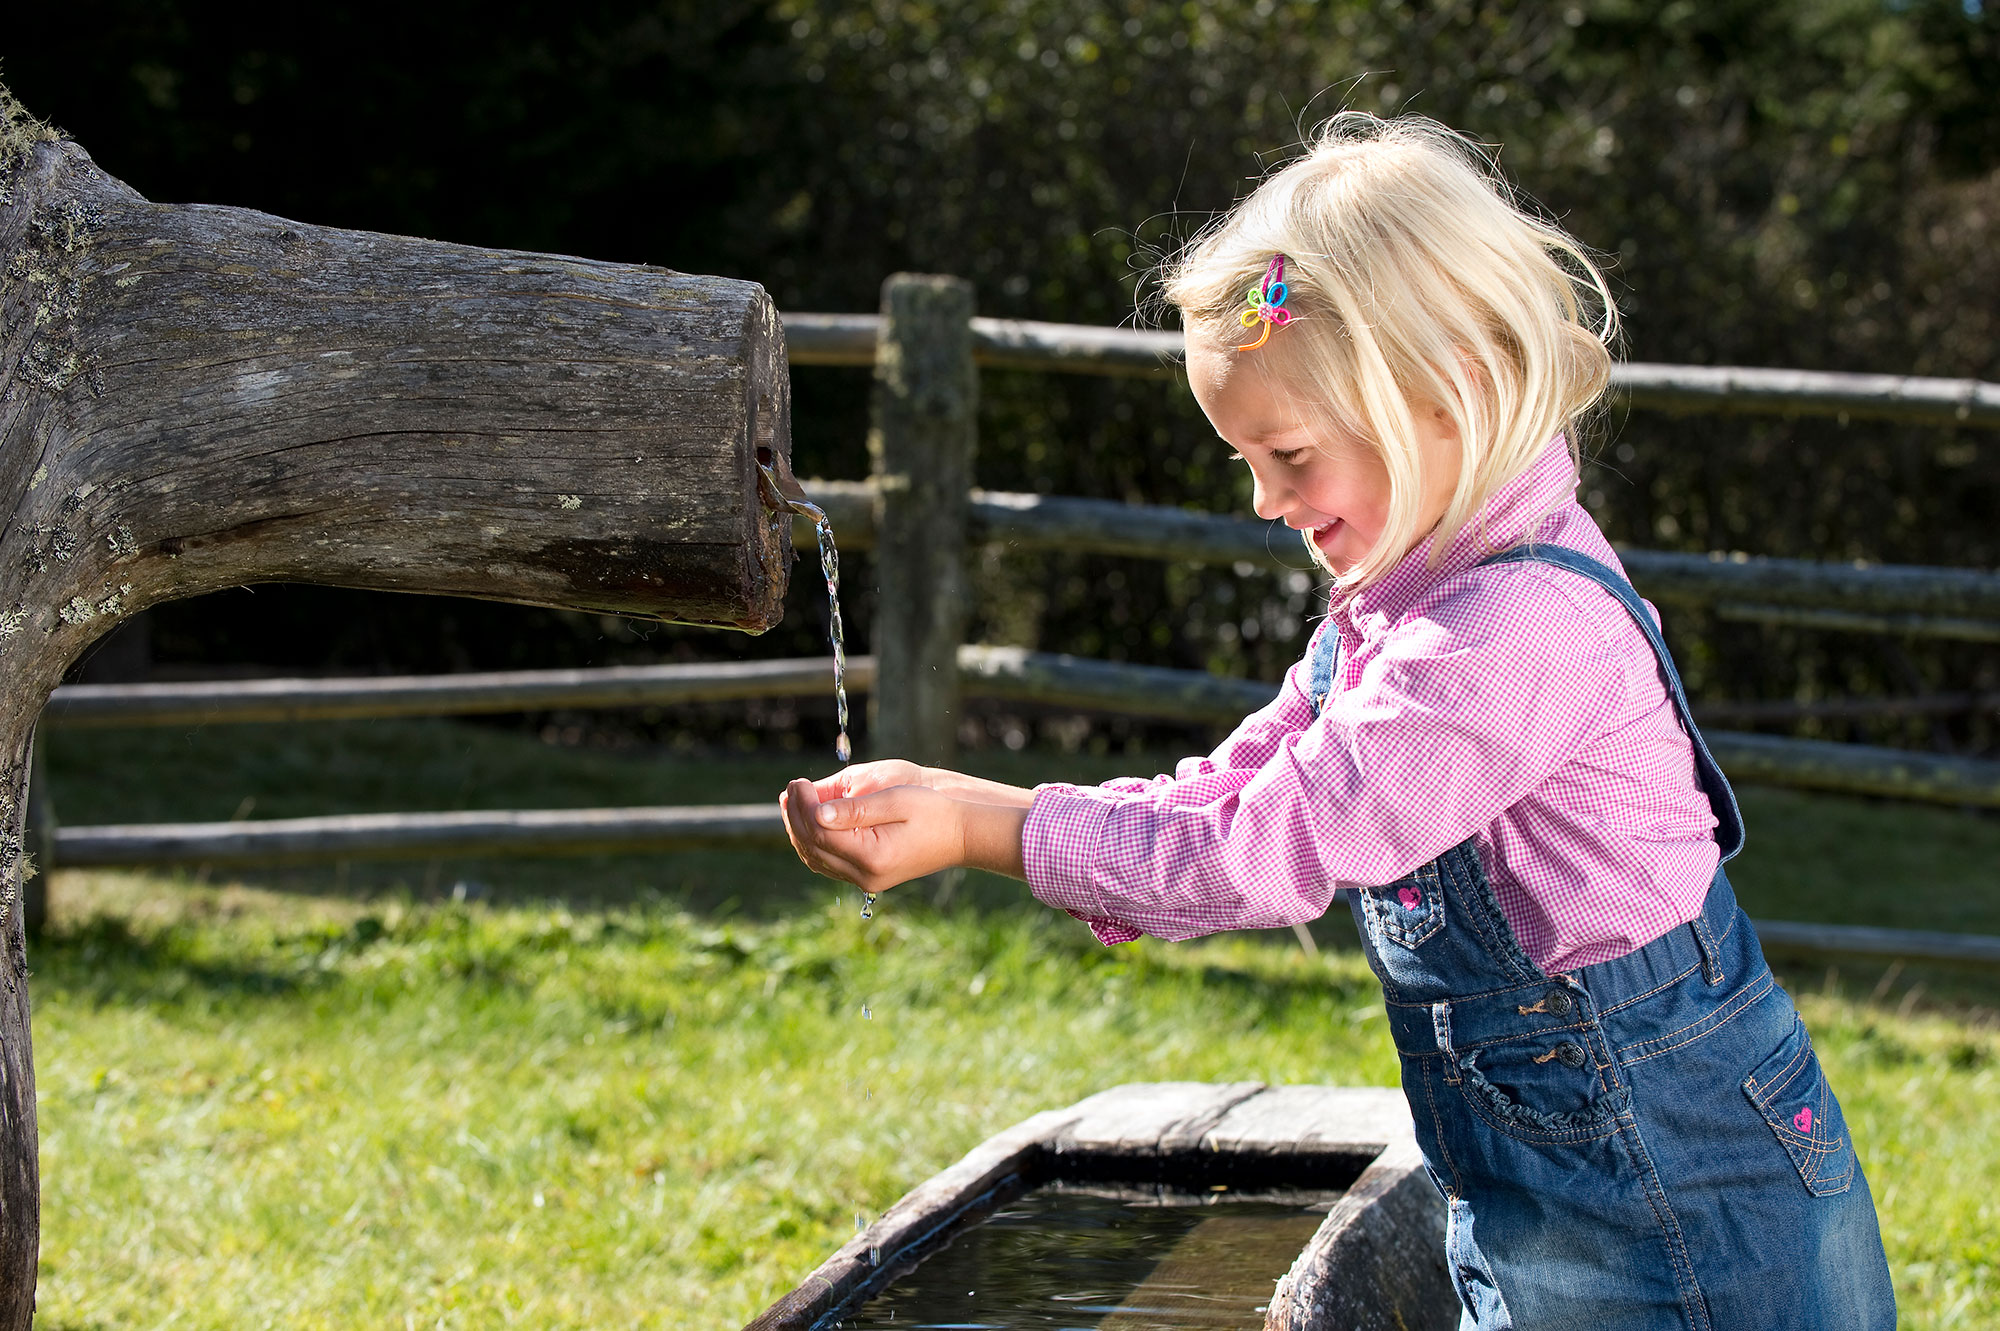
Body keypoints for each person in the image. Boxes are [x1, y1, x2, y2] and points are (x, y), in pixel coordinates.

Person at [779, 112, 1894, 1330]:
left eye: (1287, 452)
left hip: (1681, 1210)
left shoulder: (1496, 640)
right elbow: (1236, 786)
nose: (1263, 498)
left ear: (1444, 393)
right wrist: (973, 800)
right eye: (1241, 458)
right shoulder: (1405, 599)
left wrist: (983, 827)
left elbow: (1252, 852)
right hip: (1547, 1188)